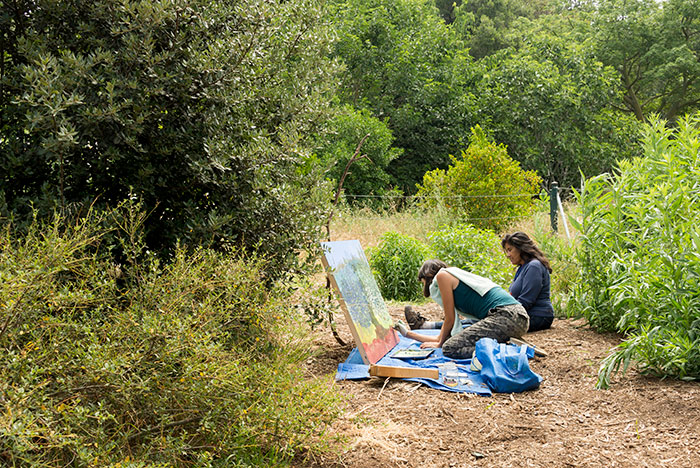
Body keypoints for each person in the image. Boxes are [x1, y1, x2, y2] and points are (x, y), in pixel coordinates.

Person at [394, 259, 529, 359]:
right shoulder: (453, 276)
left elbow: (450, 320)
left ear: (427, 276)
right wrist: (407, 333)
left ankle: (509, 351)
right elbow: (439, 338)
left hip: (507, 316)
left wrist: (440, 344)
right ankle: (506, 346)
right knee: (450, 342)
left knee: (450, 348)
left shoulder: (442, 276)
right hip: (515, 318)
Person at [501, 231, 554, 332]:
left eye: (510, 250)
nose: (508, 255)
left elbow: (526, 301)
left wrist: (503, 313)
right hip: (527, 313)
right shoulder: (522, 267)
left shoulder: (534, 266)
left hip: (538, 316)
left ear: (521, 248)